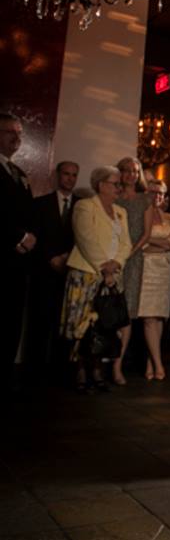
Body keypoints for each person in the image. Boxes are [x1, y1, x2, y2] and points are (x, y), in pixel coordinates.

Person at [61, 166, 132, 393]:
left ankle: (97, 371)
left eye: (120, 184)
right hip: (87, 274)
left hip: (111, 278)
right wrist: (104, 267)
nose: (119, 188)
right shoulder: (85, 206)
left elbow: (126, 244)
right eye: (115, 183)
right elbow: (86, 239)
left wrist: (116, 265)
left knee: (104, 326)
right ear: (101, 184)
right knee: (81, 325)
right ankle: (80, 372)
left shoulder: (121, 212)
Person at [31, 160, 79, 375]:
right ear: (58, 176)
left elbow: (84, 238)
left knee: (67, 321)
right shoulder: (40, 204)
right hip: (45, 270)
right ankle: (36, 369)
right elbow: (36, 236)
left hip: (72, 269)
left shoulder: (83, 205)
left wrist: (69, 257)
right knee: (41, 320)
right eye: (66, 174)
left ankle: (61, 370)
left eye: (74, 175)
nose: (70, 178)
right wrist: (51, 257)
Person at [0, 113, 37, 394]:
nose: (16, 138)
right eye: (9, 132)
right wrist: (18, 237)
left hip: (18, 263)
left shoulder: (20, 174)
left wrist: (31, 238)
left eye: (19, 133)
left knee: (12, 319)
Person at [136, 179, 170, 382]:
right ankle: (159, 363)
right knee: (149, 318)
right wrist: (154, 242)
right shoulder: (139, 215)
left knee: (159, 316)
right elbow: (138, 243)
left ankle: (150, 362)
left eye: (161, 194)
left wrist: (148, 239)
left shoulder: (169, 217)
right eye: (153, 193)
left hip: (163, 271)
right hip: (145, 269)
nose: (157, 197)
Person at [115, 157, 148, 382]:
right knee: (108, 310)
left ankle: (117, 365)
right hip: (110, 259)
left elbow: (145, 233)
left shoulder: (144, 200)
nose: (131, 175)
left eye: (135, 171)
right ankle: (102, 362)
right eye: (126, 171)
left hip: (133, 261)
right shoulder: (112, 197)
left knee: (126, 314)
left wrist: (128, 254)